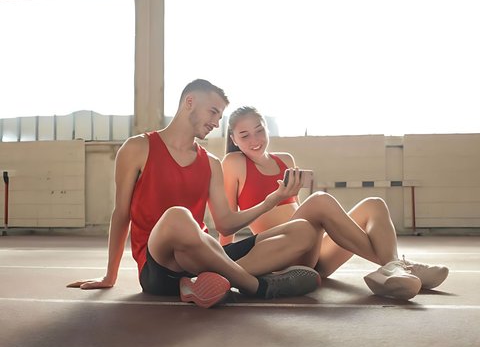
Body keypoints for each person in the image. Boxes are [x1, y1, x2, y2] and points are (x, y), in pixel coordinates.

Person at [67, 80, 321, 308]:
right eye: (213, 111)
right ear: (190, 102)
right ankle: (256, 286)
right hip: (161, 268)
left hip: (204, 257)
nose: (216, 122)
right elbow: (121, 214)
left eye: (220, 116)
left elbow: (225, 223)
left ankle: (207, 282)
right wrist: (109, 276)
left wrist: (271, 201)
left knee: (303, 230)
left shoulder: (210, 162)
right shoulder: (137, 148)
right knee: (178, 217)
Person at [220, 106, 449, 300]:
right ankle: (397, 265)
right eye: (245, 135)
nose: (255, 140)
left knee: (374, 204)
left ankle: (392, 267)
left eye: (259, 130)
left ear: (266, 128)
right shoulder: (234, 162)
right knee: (320, 200)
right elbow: (226, 221)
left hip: (314, 254)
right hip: (284, 254)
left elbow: (297, 211)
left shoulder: (285, 160)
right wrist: (221, 255)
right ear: (234, 139)